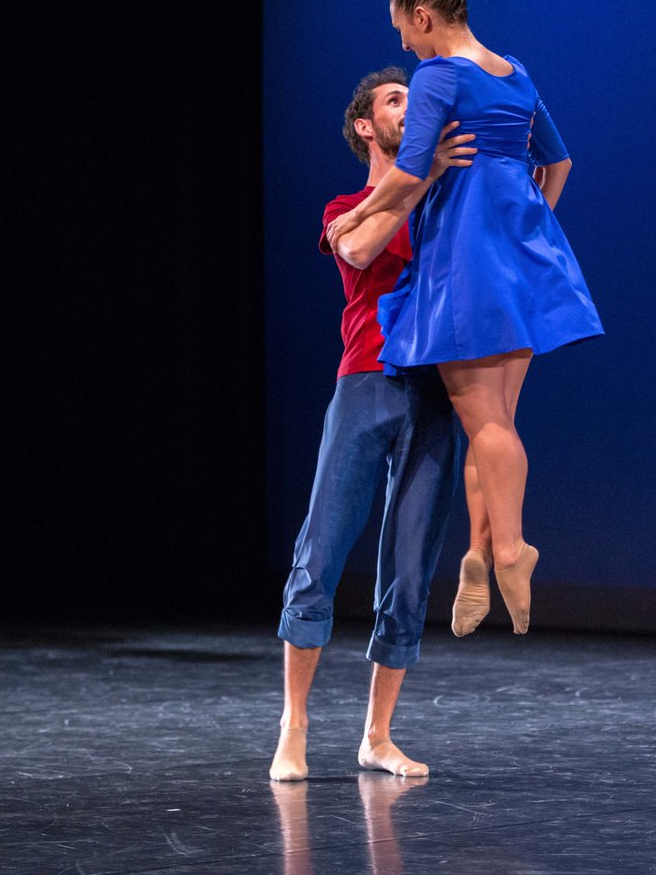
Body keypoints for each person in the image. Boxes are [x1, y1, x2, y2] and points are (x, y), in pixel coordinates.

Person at [327, 0, 603, 640]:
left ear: (423, 17)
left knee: (484, 424)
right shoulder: (514, 72)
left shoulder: (439, 79)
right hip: (522, 256)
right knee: (496, 422)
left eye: (402, 32)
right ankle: (478, 554)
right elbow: (560, 161)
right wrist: (528, 230)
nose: (405, 46)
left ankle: (510, 550)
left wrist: (354, 213)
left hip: (469, 262)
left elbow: (412, 173)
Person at [270, 66, 476, 782]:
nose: (409, 111)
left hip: (435, 393)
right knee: (320, 554)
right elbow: (357, 250)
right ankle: (294, 725)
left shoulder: (442, 206)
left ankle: (376, 736)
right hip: (366, 382)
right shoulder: (346, 206)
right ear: (368, 126)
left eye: (414, 103)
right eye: (397, 102)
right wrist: (420, 175)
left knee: (411, 571)